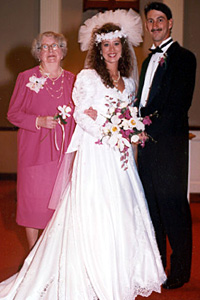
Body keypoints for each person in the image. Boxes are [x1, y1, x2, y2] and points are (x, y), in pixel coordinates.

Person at [0, 9, 166, 299]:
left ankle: (120, 268)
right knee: (93, 209)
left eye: (116, 44)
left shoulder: (128, 82)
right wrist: (111, 133)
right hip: (96, 152)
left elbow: (128, 114)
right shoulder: (87, 77)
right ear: (99, 49)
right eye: (106, 45)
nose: (112, 50)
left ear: (123, 47)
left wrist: (131, 132)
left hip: (119, 157)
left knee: (123, 208)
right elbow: (83, 115)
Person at [135, 2, 196, 290]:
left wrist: (147, 130)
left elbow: (177, 105)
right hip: (146, 148)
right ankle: (157, 265)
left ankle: (181, 271)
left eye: (160, 20)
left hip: (168, 147)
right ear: (146, 25)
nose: (155, 25)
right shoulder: (147, 62)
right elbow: (142, 103)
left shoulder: (185, 58)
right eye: (151, 21)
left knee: (173, 208)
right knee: (151, 208)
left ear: (170, 23)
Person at [7, 31, 76, 249]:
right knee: (33, 206)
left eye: (55, 46)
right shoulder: (26, 78)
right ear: (38, 54)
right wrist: (38, 121)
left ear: (63, 51)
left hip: (63, 155)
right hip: (34, 153)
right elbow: (13, 114)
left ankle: (54, 257)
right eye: (44, 47)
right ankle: (33, 257)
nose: (50, 51)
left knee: (59, 208)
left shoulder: (73, 80)